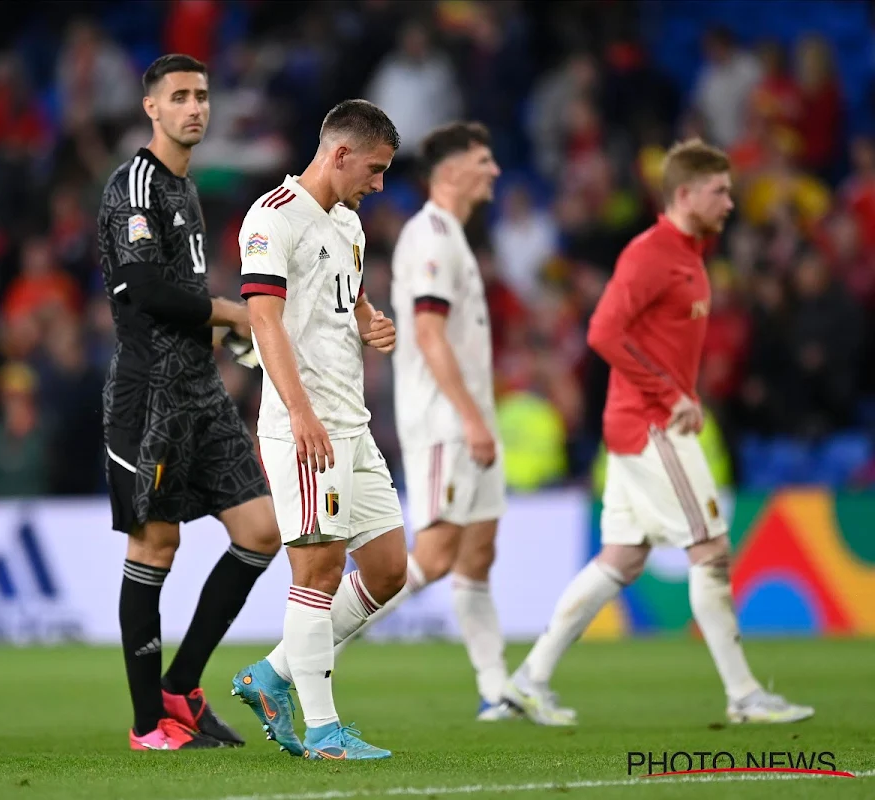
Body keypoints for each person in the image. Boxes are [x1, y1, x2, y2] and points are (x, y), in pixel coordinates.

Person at [503, 139, 814, 726]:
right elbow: (602, 332)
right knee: (712, 550)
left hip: (639, 420)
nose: (730, 200)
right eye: (719, 190)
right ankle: (745, 696)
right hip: (652, 424)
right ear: (684, 194)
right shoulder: (652, 254)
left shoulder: (693, 255)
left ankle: (529, 679)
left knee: (621, 558)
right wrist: (672, 393)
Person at [97, 54, 281, 751]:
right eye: (179, 97)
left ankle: (182, 687)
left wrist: (225, 335)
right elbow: (144, 289)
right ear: (152, 108)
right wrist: (232, 315)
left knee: (261, 530)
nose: (195, 108)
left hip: (201, 391)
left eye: (202, 96)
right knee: (157, 542)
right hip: (151, 396)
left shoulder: (186, 188)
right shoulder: (135, 185)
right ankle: (148, 725)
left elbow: (185, 294)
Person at [230, 100, 406, 761]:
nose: (380, 184)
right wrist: (300, 411)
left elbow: (347, 295)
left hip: (352, 426)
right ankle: (325, 731)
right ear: (339, 154)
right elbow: (264, 321)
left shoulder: (350, 224)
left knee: (389, 569)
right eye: (376, 169)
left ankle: (272, 673)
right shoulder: (273, 217)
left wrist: (368, 321)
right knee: (319, 570)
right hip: (304, 426)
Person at [349, 121, 517, 721]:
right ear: (449, 172)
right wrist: (472, 419)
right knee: (437, 555)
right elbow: (426, 334)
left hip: (470, 419)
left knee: (478, 556)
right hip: (446, 422)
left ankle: (499, 691)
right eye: (483, 159)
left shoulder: (455, 237)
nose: (494, 170)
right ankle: (300, 655)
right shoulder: (430, 237)